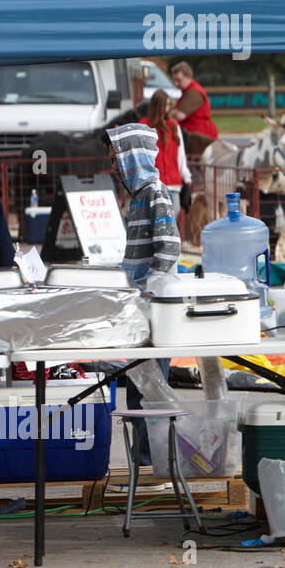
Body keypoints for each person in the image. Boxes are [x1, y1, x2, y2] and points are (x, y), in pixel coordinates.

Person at [106, 123, 181, 465]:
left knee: (152, 388)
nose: (112, 166)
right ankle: (144, 457)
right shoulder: (138, 197)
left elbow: (169, 248)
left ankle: (155, 457)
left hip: (154, 307)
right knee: (138, 384)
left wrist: (149, 288)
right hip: (140, 306)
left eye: (116, 158)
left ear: (131, 158)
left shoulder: (155, 192)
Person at [139, 89, 192, 219]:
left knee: (172, 218)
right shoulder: (143, 125)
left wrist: (186, 177)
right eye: (163, 105)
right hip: (152, 183)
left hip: (173, 183)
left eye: (168, 105)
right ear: (156, 105)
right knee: (155, 220)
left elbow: (180, 155)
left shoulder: (174, 125)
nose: (166, 108)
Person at [169, 61, 219, 141]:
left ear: (188, 77)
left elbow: (179, 115)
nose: (176, 83)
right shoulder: (188, 91)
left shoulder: (194, 92)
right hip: (195, 136)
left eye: (178, 80)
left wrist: (169, 112)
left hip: (198, 138)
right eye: (174, 80)